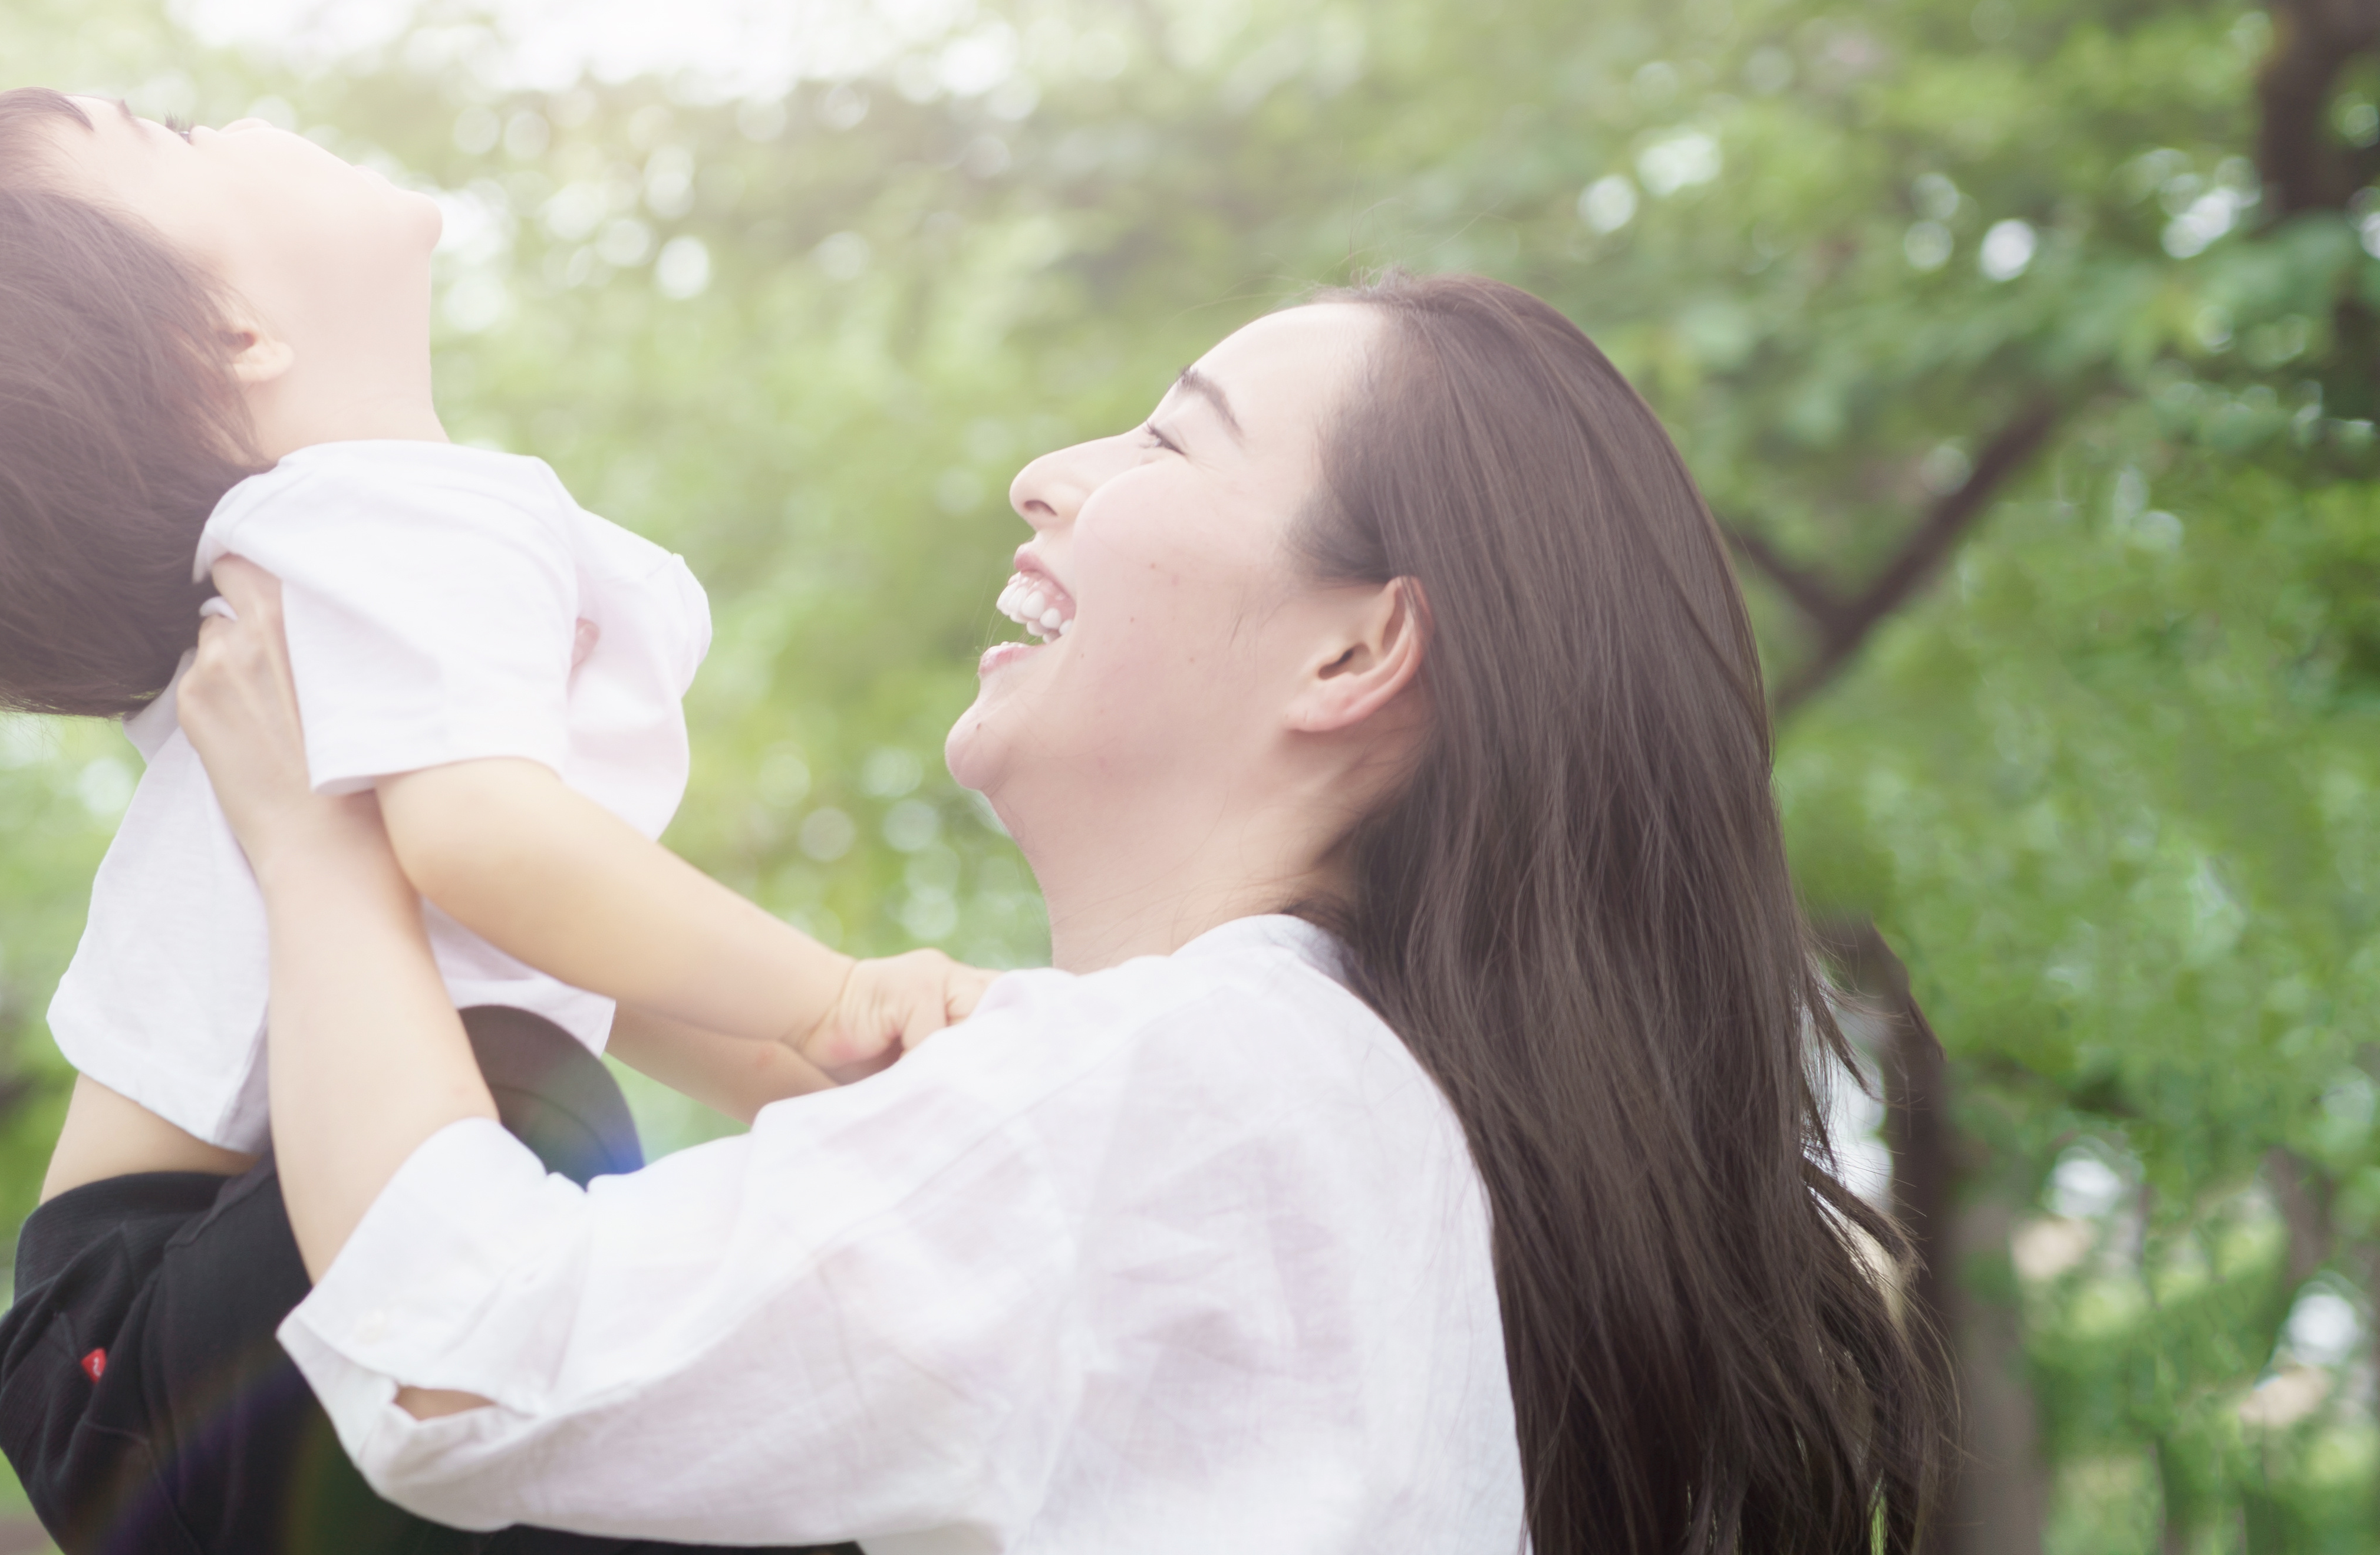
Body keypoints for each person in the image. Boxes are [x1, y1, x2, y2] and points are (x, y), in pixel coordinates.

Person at [175, 273, 1940, 1555]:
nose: (1048, 469)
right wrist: (468, 826)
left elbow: (470, 1363)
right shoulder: (1316, 1098)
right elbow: (855, 1076)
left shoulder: (1194, 1084)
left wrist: (314, 838)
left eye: (1173, 437)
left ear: (1355, 651)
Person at [0, 88, 970, 1553]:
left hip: (135, 1346)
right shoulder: (389, 525)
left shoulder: (339, 555)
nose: (239, 116)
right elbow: (491, 850)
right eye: (175, 134)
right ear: (232, 335)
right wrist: (837, 992)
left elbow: (559, 946)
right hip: (172, 1312)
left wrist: (851, 1087)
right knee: (550, 1153)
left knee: (545, 1128)